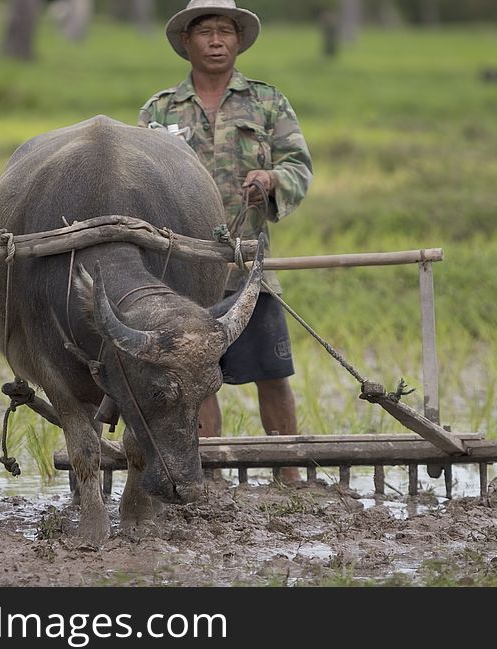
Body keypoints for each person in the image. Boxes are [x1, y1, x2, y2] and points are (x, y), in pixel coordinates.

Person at [138, 0, 313, 484]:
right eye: (205, 33)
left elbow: (300, 164)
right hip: (182, 271)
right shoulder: (159, 110)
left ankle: (288, 476)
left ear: (237, 41)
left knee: (272, 372)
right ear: (186, 42)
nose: (216, 41)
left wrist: (273, 180)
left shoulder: (266, 102)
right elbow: (140, 182)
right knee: (194, 377)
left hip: (249, 266)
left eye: (225, 32)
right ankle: (208, 476)